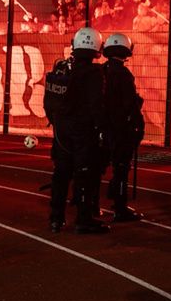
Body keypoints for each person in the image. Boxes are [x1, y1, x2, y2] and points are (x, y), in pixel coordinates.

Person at [46, 27, 109, 234]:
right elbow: (96, 105)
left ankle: (56, 219)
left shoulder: (62, 68)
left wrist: (57, 123)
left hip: (61, 131)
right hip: (82, 131)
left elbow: (49, 102)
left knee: (61, 174)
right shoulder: (94, 73)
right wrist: (102, 129)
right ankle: (83, 219)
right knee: (83, 174)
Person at [102, 32, 146, 222]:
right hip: (120, 127)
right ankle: (120, 208)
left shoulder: (102, 70)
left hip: (104, 126)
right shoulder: (123, 74)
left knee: (99, 165)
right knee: (121, 167)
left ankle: (91, 204)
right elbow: (129, 104)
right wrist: (138, 123)